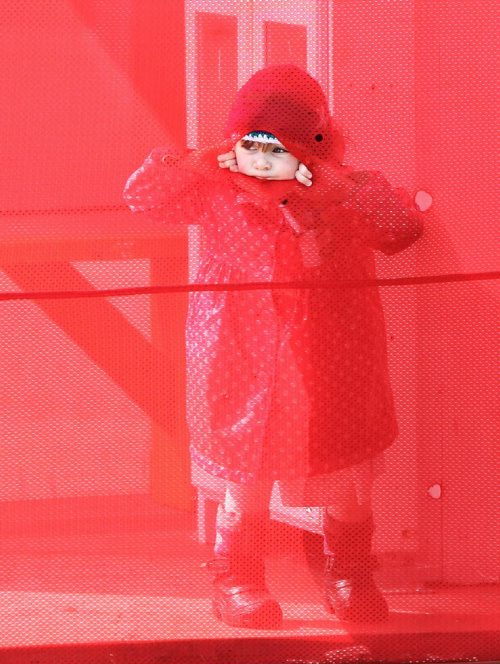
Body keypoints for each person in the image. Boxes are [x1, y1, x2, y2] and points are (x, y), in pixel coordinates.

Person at [124, 64, 424, 629]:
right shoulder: (214, 193)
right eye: (253, 149)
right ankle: (238, 578)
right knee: (247, 479)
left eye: (282, 152)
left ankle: (350, 574)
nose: (265, 169)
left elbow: (403, 231)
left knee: (346, 484)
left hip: (331, 361)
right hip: (245, 361)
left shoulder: (343, 193)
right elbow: (142, 197)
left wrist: (328, 184)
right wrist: (200, 158)